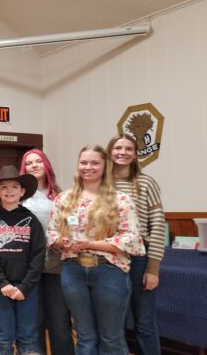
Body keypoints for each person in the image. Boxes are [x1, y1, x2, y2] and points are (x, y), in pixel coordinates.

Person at [47, 145, 144, 354]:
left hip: (109, 271)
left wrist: (90, 244)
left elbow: (131, 239)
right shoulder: (63, 199)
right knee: (84, 337)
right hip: (73, 271)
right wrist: (62, 242)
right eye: (84, 162)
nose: (88, 167)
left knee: (111, 337)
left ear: (105, 166)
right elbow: (52, 232)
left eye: (94, 163)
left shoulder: (121, 200)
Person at [108, 134, 166, 355]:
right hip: (109, 259)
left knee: (144, 322)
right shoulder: (101, 183)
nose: (122, 152)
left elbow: (158, 224)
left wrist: (153, 268)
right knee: (114, 323)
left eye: (128, 149)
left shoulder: (146, 182)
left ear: (135, 154)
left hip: (140, 259)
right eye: (118, 148)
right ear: (110, 152)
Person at [0, 165, 45, 355]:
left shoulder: (31, 220)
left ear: (22, 191)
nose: (9, 191)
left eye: (14, 187)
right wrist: (2, 283)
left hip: (27, 289)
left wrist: (25, 286)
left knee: (27, 335)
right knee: (3, 336)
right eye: (4, 187)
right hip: (1, 288)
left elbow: (38, 255)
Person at [20, 149, 73, 355]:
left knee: (59, 320)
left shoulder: (60, 196)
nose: (34, 165)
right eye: (29, 163)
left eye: (38, 161)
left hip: (56, 265)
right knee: (34, 321)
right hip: (29, 267)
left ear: (46, 165)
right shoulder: (19, 195)